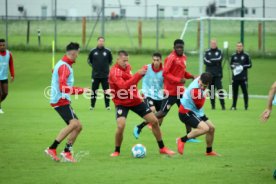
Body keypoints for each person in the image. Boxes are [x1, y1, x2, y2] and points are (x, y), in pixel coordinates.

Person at [108, 50, 175, 157]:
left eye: (127, 60)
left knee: (154, 121)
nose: (126, 63)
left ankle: (162, 148)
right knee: (121, 126)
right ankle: (117, 150)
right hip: (121, 102)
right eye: (124, 60)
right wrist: (138, 75)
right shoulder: (114, 72)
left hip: (134, 100)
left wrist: (137, 83)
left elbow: (132, 81)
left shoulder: (128, 67)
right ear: (118, 59)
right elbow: (123, 86)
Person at [133, 39, 198, 143]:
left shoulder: (184, 57)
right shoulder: (170, 58)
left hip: (180, 91)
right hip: (171, 92)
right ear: (174, 48)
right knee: (162, 113)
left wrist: (191, 76)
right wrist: (178, 80)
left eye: (181, 47)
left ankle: (190, 136)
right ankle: (140, 126)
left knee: (187, 111)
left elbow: (182, 72)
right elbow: (165, 74)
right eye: (178, 47)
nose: (180, 49)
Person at [45, 42, 91, 162]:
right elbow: (63, 88)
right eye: (78, 53)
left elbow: (61, 79)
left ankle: (66, 152)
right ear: (73, 53)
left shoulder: (64, 65)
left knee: (78, 126)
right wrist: (82, 90)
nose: (78, 56)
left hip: (62, 99)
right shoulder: (64, 66)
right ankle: (52, 148)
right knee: (74, 124)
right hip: (60, 100)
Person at [177, 72, 220, 156]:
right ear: (199, 80)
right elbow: (199, 105)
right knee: (205, 128)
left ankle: (209, 151)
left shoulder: (202, 77)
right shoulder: (195, 90)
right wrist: (204, 95)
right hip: (186, 112)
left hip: (195, 112)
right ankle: (181, 140)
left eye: (205, 86)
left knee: (211, 128)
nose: (202, 87)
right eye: (201, 85)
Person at [133, 52, 164, 135]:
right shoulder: (146, 68)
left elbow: (168, 82)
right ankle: (139, 127)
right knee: (152, 109)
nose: (156, 62)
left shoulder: (164, 70)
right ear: (152, 60)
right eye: (154, 60)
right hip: (148, 94)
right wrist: (135, 90)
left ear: (161, 60)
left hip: (159, 96)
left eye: (157, 60)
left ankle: (148, 127)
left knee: (161, 116)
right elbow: (136, 77)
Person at [88, 36, 113, 111]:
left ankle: (107, 106)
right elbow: (89, 61)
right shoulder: (93, 51)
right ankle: (92, 106)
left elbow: (110, 61)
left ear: (104, 42)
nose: (101, 42)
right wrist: (95, 67)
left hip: (105, 76)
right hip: (95, 75)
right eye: (100, 41)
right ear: (97, 41)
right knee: (94, 91)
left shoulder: (107, 51)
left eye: (102, 41)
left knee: (107, 91)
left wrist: (105, 68)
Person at [204, 39, 225, 110]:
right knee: (211, 91)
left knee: (220, 90)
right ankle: (213, 106)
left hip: (217, 75)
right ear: (210, 44)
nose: (213, 45)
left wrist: (211, 60)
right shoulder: (207, 52)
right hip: (209, 75)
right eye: (212, 43)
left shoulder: (220, 51)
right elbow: (205, 61)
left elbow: (219, 59)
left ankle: (223, 106)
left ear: (216, 44)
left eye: (214, 43)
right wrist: (214, 61)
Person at [230, 42, 252, 110]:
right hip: (235, 78)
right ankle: (234, 106)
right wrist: (233, 66)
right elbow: (231, 65)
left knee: (245, 92)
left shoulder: (246, 55)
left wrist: (242, 67)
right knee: (234, 92)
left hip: (243, 78)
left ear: (242, 47)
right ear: (236, 47)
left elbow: (250, 65)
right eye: (238, 46)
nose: (239, 47)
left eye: (240, 46)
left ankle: (246, 106)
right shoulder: (233, 55)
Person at [0, 39, 15, 114]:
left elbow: (11, 64)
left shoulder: (9, 54)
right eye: (1, 45)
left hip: (4, 77)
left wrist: (12, 74)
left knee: (5, 93)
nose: (2, 46)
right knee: (0, 93)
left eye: (3, 45)